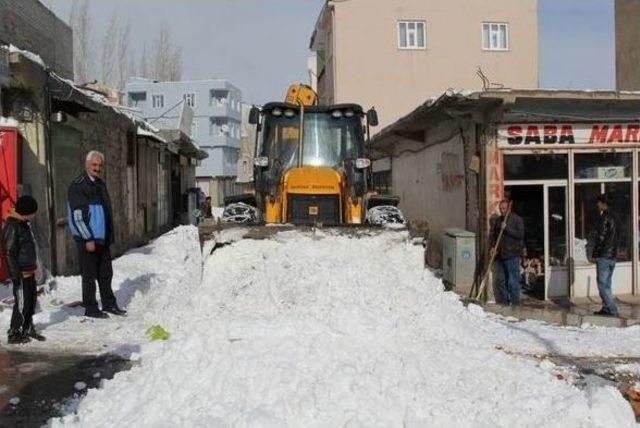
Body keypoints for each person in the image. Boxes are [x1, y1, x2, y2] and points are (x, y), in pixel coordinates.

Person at [68, 151, 126, 318]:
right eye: (94, 165)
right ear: (87, 165)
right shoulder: (78, 186)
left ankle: (109, 304)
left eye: (100, 165)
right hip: (89, 239)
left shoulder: (100, 184)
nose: (97, 168)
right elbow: (78, 216)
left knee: (106, 273)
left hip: (102, 238)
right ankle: (91, 308)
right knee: (89, 275)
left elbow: (105, 212)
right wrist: (88, 238)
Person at [2, 195, 46, 344]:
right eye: (33, 212)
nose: (34, 215)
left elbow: (29, 247)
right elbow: (9, 252)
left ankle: (27, 327)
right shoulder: (13, 225)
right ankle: (14, 332)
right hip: (20, 273)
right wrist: (15, 275)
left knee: (30, 301)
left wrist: (36, 266)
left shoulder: (24, 224)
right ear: (26, 211)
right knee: (20, 304)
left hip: (29, 271)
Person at [490, 199, 525, 306]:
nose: (502, 211)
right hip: (501, 255)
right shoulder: (498, 221)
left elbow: (520, 235)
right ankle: (504, 303)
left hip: (512, 255)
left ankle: (515, 304)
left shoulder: (516, 219)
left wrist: (507, 228)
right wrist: (493, 247)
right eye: (500, 209)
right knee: (501, 281)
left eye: (504, 208)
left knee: (512, 282)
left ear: (508, 209)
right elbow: (495, 236)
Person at [592, 194, 619, 317]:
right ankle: (606, 308)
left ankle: (612, 309)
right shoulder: (616, 217)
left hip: (604, 255)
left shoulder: (605, 218)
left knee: (602, 284)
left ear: (603, 203)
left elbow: (601, 237)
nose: (597, 205)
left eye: (598, 203)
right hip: (612, 255)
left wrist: (596, 253)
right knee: (607, 284)